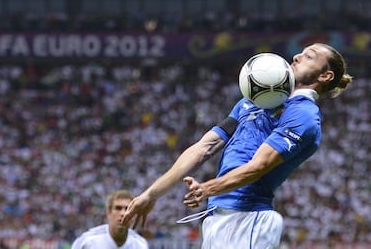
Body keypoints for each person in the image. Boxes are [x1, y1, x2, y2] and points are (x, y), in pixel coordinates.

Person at [121, 43, 353, 248]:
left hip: (248, 218)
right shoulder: (252, 101)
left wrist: (208, 188)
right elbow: (204, 147)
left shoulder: (303, 114)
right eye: (300, 53)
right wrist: (151, 194)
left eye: (309, 56)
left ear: (326, 76)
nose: (296, 57)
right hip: (218, 216)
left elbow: (258, 167)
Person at [72, 189, 149, 249]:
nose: (123, 213)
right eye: (118, 208)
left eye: (128, 209)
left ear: (133, 215)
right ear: (108, 213)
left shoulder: (141, 245)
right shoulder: (87, 241)